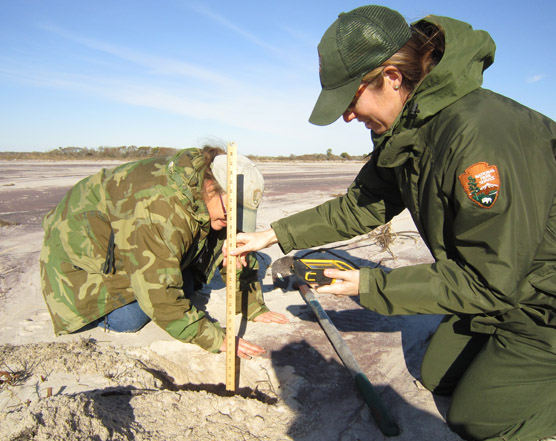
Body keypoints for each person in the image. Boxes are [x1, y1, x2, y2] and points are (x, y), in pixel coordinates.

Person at [226, 5, 556, 440]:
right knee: (438, 373)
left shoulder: (477, 136)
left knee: (479, 418)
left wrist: (368, 286)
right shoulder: (406, 130)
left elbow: (491, 279)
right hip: (507, 283)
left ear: (392, 78)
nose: (346, 115)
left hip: (540, 296)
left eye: (350, 98)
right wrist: (272, 235)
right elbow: (361, 205)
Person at [40, 145, 288, 360]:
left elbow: (237, 249)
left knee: (187, 285)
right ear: (211, 185)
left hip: (132, 238)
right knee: (131, 318)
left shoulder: (204, 190)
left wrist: (250, 305)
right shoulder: (159, 210)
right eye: (229, 211)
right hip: (79, 263)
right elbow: (159, 294)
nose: (230, 219)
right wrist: (214, 339)